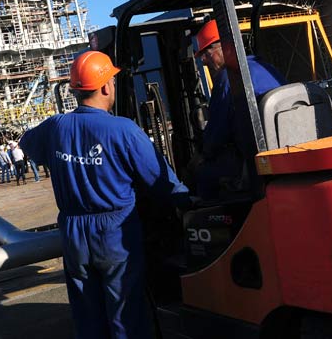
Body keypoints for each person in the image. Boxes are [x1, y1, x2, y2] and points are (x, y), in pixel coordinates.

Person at [20, 51, 190, 339]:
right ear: (106, 86)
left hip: (74, 232)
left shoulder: (55, 127)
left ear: (75, 90)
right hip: (114, 232)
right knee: (125, 313)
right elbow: (160, 181)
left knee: (87, 314)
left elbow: (28, 145)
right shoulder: (123, 130)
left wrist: (66, 160)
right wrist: (187, 201)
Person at [193, 20, 286, 199]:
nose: (204, 61)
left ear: (223, 46)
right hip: (280, 152)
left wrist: (202, 154)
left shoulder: (230, 79)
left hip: (253, 160)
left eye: (206, 52)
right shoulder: (265, 67)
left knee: (202, 173)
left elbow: (216, 135)